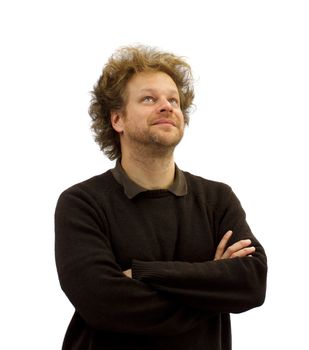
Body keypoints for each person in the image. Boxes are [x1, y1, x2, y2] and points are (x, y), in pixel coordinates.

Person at [55, 45, 267, 350]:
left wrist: (143, 273)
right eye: (149, 99)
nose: (166, 106)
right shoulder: (81, 203)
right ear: (117, 119)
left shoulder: (218, 200)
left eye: (173, 100)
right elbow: (104, 304)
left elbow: (251, 283)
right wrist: (211, 282)